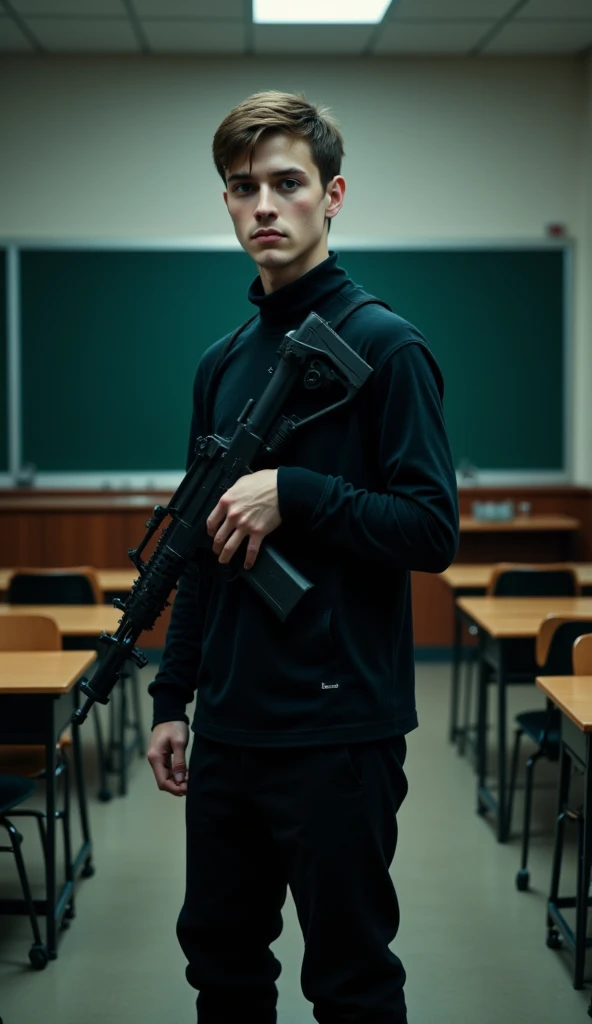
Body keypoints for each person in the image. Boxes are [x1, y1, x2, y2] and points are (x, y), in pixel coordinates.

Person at [147, 90, 459, 1024]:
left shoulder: (387, 345)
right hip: (234, 730)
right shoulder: (223, 361)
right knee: (223, 966)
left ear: (334, 195)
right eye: (243, 189)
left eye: (288, 183)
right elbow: (204, 548)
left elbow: (430, 529)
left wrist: (298, 493)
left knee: (351, 980)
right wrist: (172, 697)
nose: (264, 207)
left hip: (339, 734)